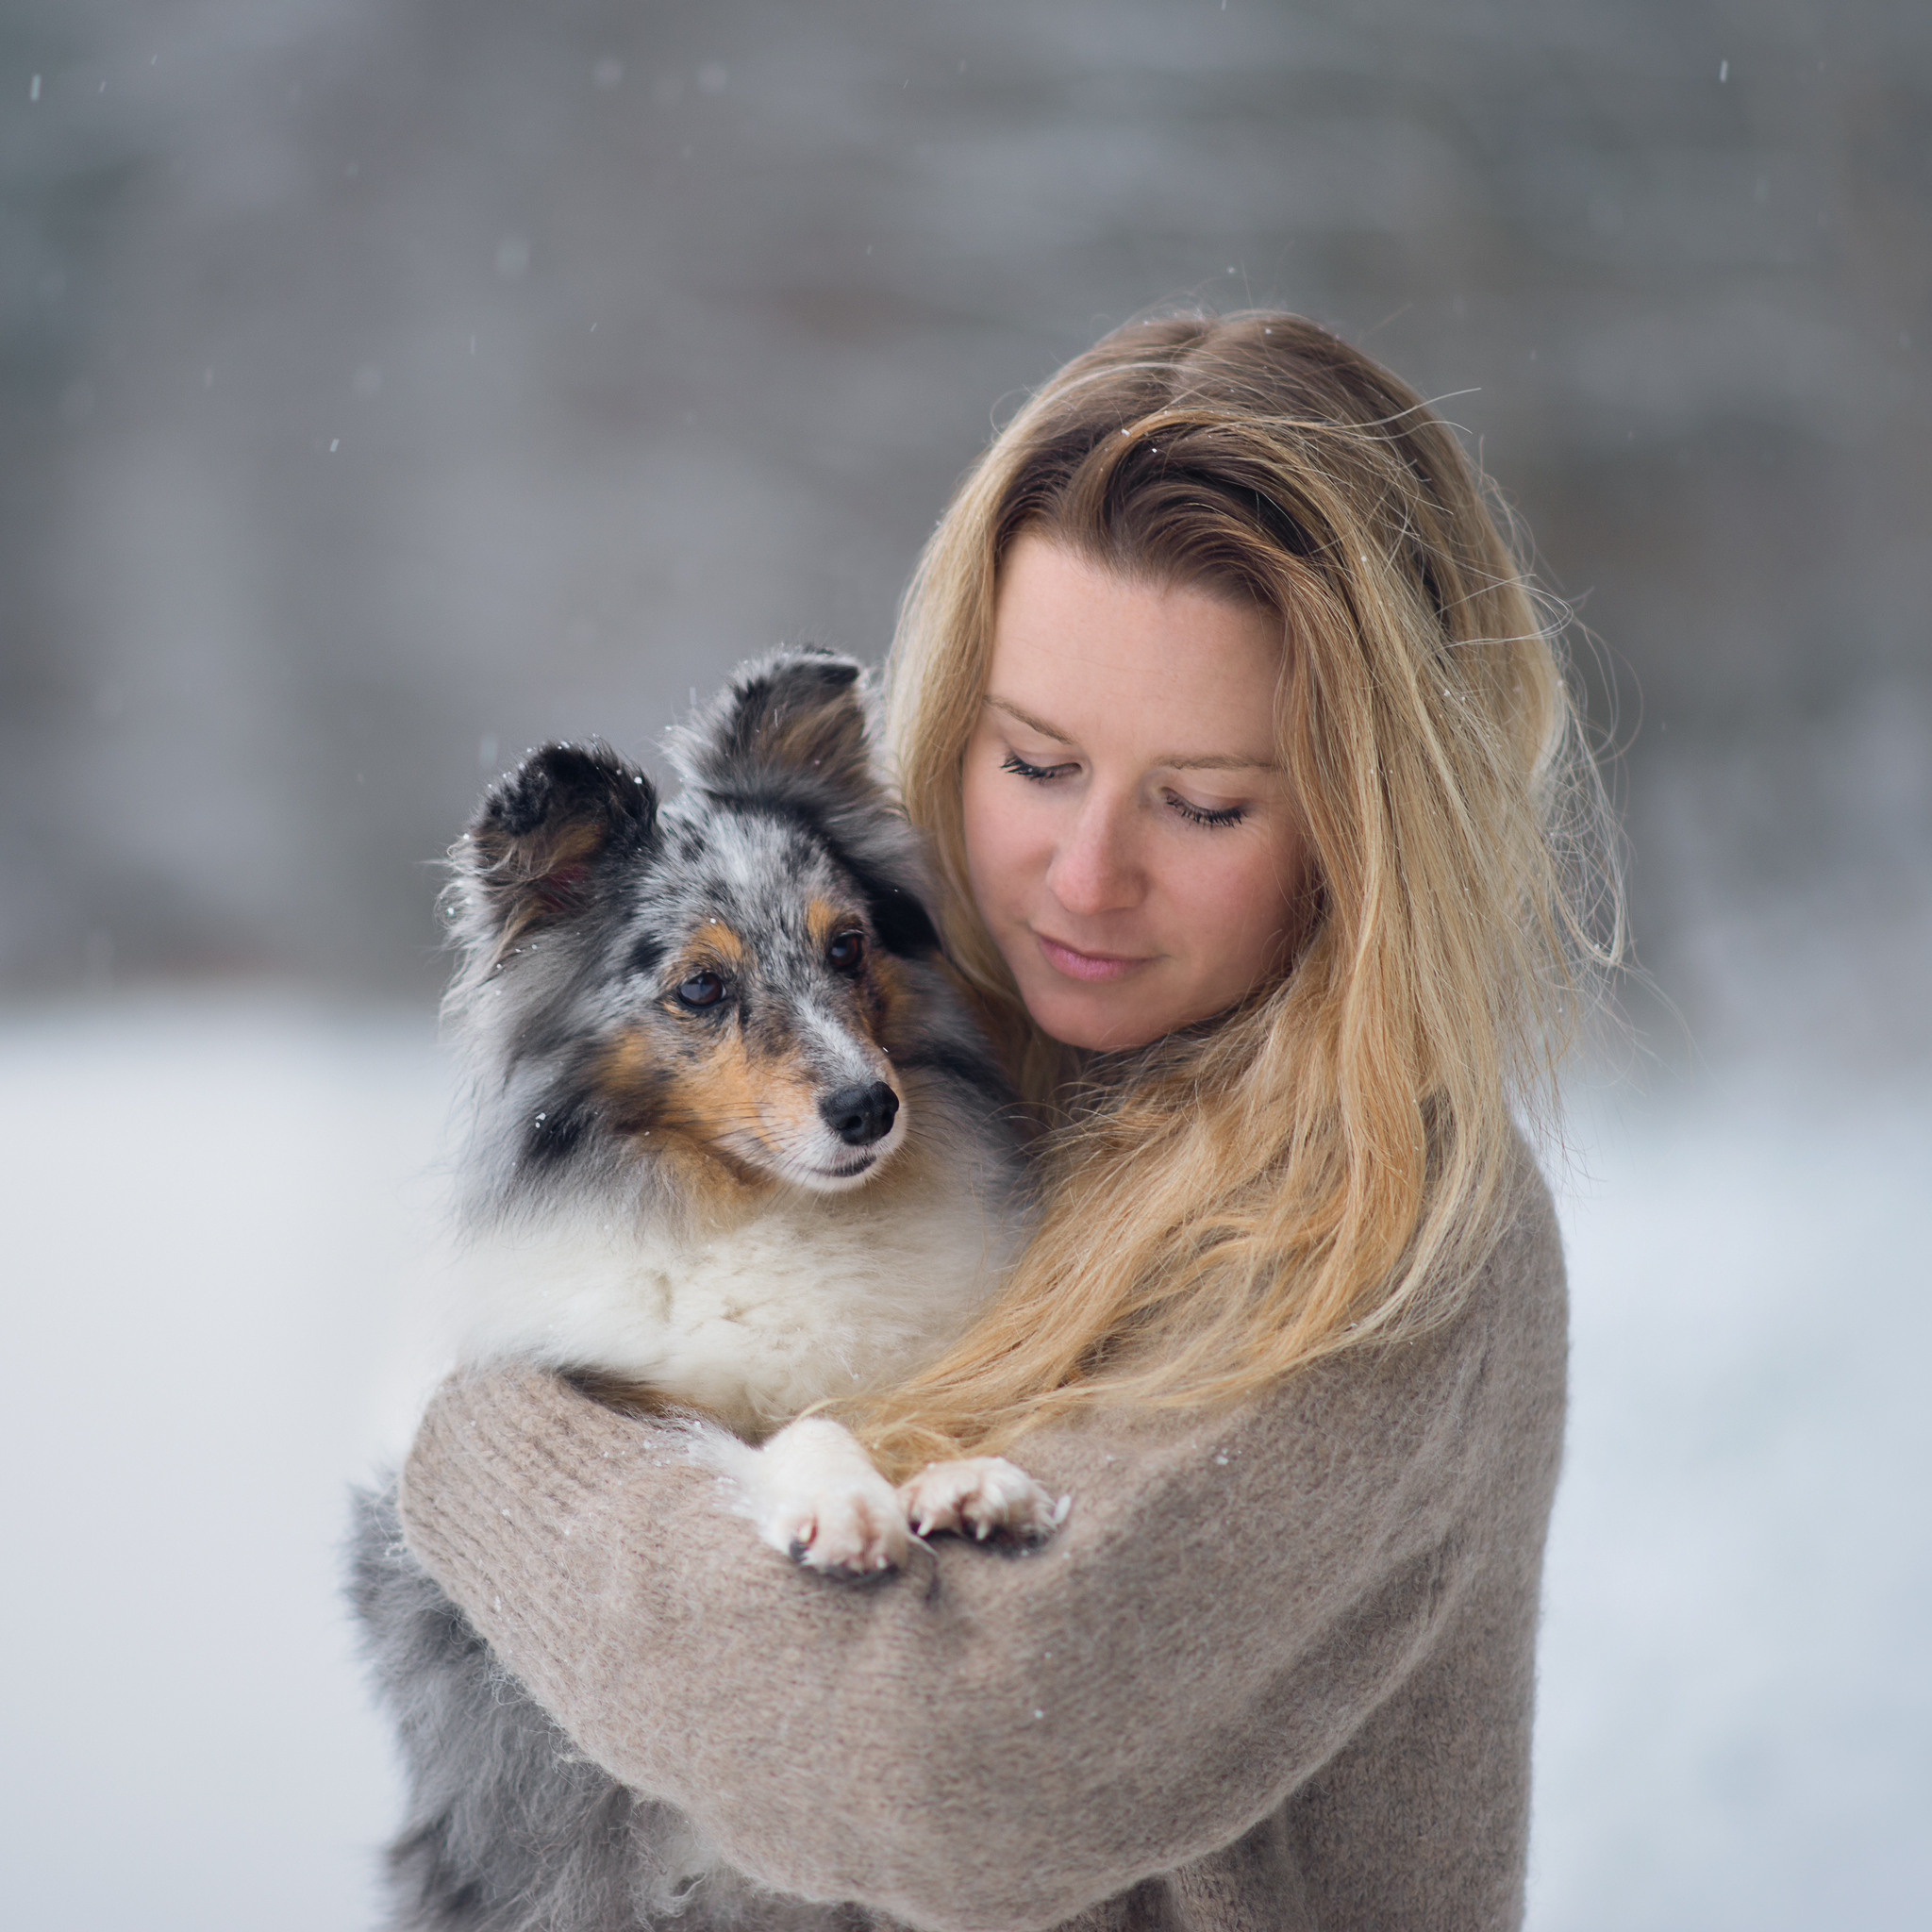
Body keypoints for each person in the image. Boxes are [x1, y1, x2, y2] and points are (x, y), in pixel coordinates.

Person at [396, 310, 1616, 1931]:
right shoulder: (979, 1069)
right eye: (1036, 762)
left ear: (1373, 826)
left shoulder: (1384, 1234)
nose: (1084, 877)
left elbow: (940, 1775)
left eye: (1201, 803)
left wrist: (498, 1458)